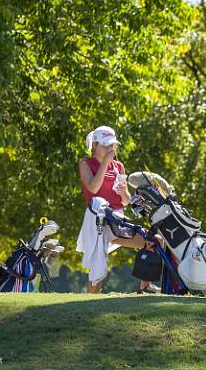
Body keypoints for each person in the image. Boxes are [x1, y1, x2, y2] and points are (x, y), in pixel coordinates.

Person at [75, 126, 159, 294]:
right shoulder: (85, 164)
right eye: (106, 145)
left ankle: (145, 288)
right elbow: (92, 188)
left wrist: (124, 193)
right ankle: (89, 303)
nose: (110, 149)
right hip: (97, 221)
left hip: (117, 220)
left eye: (112, 145)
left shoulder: (118, 166)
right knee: (97, 269)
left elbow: (126, 201)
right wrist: (105, 163)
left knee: (152, 241)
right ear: (95, 145)